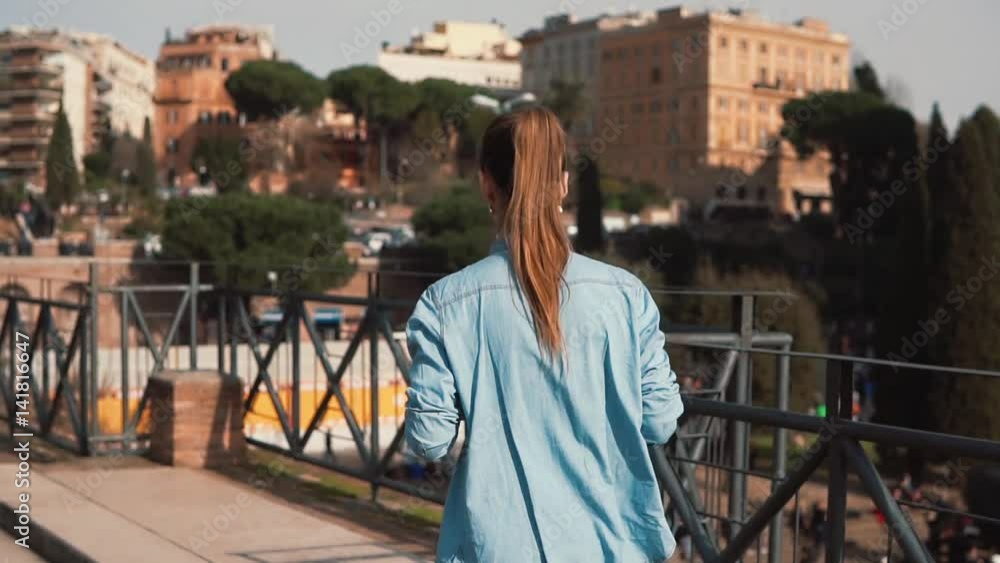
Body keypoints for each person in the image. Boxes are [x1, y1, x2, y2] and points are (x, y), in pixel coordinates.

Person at [404, 107, 685, 563]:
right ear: (563, 185)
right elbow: (660, 420)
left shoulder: (444, 303)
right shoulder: (626, 294)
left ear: (486, 185)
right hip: (616, 547)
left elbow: (429, 439)